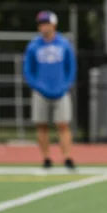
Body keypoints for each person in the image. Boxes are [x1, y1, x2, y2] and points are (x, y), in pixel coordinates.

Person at [22, 10, 76, 170]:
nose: (43, 27)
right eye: (41, 24)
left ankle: (67, 157)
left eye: (46, 23)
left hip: (61, 91)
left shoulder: (64, 44)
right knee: (42, 125)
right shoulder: (33, 46)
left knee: (63, 124)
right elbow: (28, 70)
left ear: (54, 24)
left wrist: (65, 85)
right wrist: (38, 86)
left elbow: (71, 67)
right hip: (41, 92)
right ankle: (46, 157)